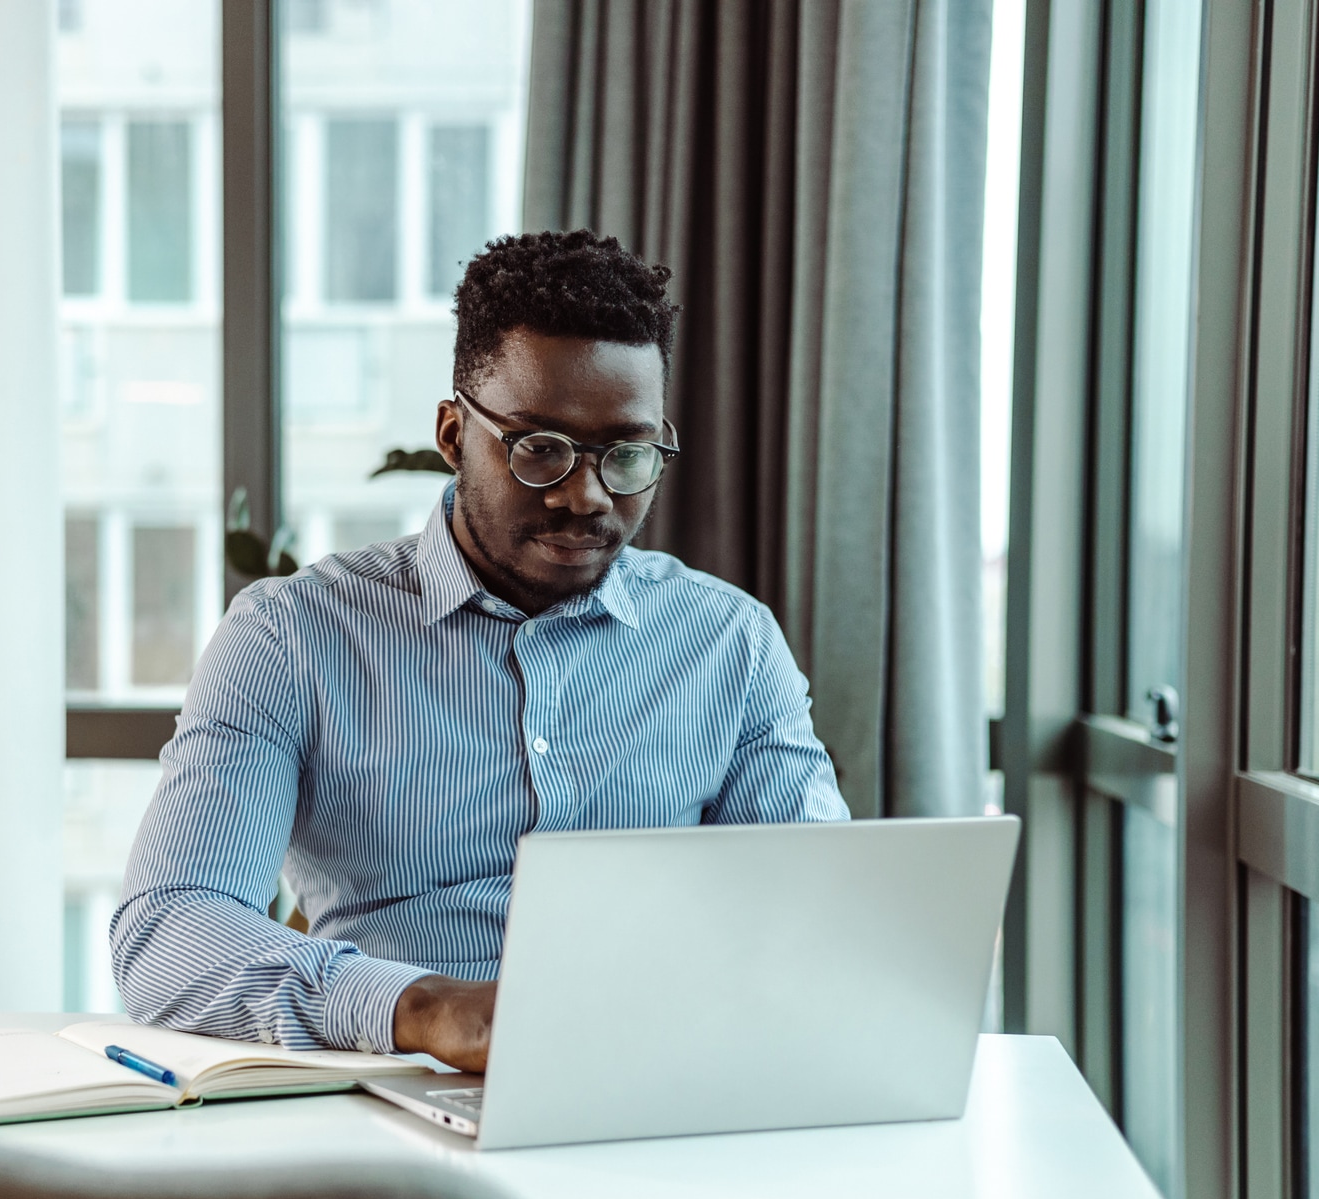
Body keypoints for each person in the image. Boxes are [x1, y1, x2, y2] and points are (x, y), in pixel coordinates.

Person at [111, 229, 848, 1073]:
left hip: (655, 1080)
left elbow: (809, 918)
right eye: (540, 449)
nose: (585, 495)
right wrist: (424, 1009)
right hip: (392, 1081)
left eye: (627, 455)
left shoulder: (729, 644)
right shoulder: (291, 637)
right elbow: (168, 930)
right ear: (454, 434)